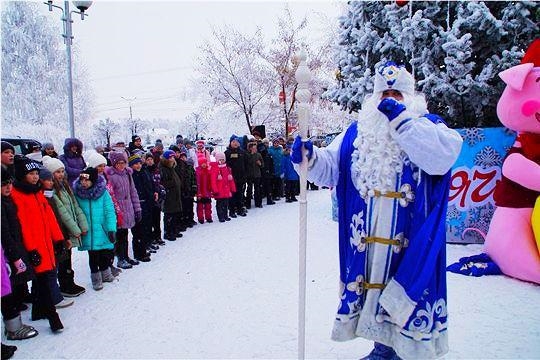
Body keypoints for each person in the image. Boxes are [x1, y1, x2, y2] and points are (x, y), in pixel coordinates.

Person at [291, 62, 463, 360]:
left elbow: (441, 158)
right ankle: (382, 350)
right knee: (376, 295)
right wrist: (310, 158)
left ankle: (407, 353)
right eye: (385, 93)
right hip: (369, 242)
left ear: (410, 97)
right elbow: (332, 169)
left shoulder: (429, 125)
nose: (390, 99)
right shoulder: (357, 133)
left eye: (397, 94)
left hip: (411, 240)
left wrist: (404, 124)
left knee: (407, 296)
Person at [10, 157, 65, 332]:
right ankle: (52, 316)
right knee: (43, 282)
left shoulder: (37, 192)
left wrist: (58, 238)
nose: (35, 177)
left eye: (36, 173)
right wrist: (32, 249)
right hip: (34, 246)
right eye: (31, 174)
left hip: (46, 244)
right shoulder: (17, 196)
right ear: (22, 175)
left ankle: (39, 311)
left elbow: (49, 217)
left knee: (42, 280)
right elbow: (23, 226)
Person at [1, 169, 39, 341]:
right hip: (7, 253)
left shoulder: (6, 200)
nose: (8, 187)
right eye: (3, 184)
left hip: (10, 252)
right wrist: (14, 257)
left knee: (9, 289)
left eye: (9, 182)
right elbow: (5, 233)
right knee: (6, 292)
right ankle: (13, 328)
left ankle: (14, 325)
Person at [43, 156, 88, 297]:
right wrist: (75, 229)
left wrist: (83, 224)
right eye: (57, 172)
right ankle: (65, 284)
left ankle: (69, 282)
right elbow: (62, 213)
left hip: (71, 229)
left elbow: (75, 206)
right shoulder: (52, 191)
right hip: (62, 230)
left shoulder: (65, 187)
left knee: (68, 257)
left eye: (62, 171)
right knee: (63, 258)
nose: (61, 174)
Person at [73, 167, 117, 290]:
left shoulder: (103, 193)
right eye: (82, 180)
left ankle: (106, 273)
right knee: (93, 256)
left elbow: (109, 211)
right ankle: (96, 279)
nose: (84, 183)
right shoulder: (78, 194)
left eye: (87, 180)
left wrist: (111, 229)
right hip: (88, 231)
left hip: (102, 230)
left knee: (104, 254)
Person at [105, 151, 142, 269]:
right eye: (119, 163)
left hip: (128, 207)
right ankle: (120, 258)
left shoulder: (127, 174)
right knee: (119, 235)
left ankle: (125, 256)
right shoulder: (111, 176)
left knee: (125, 234)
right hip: (118, 209)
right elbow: (110, 195)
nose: (121, 165)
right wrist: (115, 211)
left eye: (123, 163)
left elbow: (133, 192)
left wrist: (137, 209)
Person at [159, 150, 182, 241]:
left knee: (175, 214)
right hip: (169, 195)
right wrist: (173, 183)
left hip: (174, 194)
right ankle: (168, 232)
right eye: (170, 158)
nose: (172, 159)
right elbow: (163, 183)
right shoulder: (163, 168)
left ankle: (174, 230)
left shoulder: (171, 167)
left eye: (173, 157)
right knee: (169, 215)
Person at [211, 152, 236, 222]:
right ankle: (220, 216)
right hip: (219, 191)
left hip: (226, 190)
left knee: (226, 204)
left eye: (223, 159)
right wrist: (215, 190)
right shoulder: (215, 169)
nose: (221, 161)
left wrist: (232, 188)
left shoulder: (227, 168)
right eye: (220, 160)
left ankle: (225, 215)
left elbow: (231, 180)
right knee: (219, 204)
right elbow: (213, 181)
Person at [195, 157, 213, 224]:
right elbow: (198, 183)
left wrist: (210, 190)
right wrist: (198, 193)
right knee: (200, 207)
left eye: (205, 163)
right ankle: (200, 218)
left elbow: (210, 181)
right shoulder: (198, 172)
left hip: (207, 192)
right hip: (200, 193)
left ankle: (208, 217)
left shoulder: (208, 171)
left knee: (208, 206)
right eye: (202, 163)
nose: (204, 164)